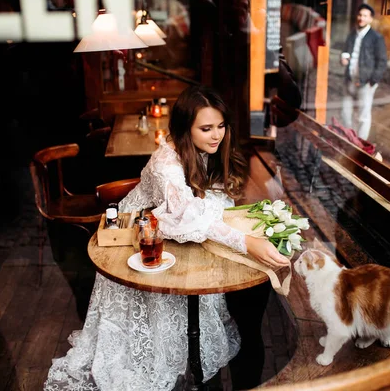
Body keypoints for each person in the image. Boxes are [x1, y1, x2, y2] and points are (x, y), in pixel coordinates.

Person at [43, 85, 289, 391]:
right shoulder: (165, 163)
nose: (217, 135)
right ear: (185, 128)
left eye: (222, 126)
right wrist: (247, 242)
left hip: (166, 224)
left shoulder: (202, 148)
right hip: (141, 229)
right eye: (206, 128)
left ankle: (193, 361)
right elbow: (185, 212)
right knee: (156, 324)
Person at [340, 3, 387, 141]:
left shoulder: (376, 38)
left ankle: (360, 146)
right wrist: (343, 57)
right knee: (345, 113)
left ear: (370, 19)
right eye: (360, 15)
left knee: (363, 116)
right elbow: (345, 51)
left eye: (365, 16)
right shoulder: (352, 34)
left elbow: (382, 61)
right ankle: (348, 139)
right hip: (349, 79)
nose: (361, 18)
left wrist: (373, 81)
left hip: (366, 82)